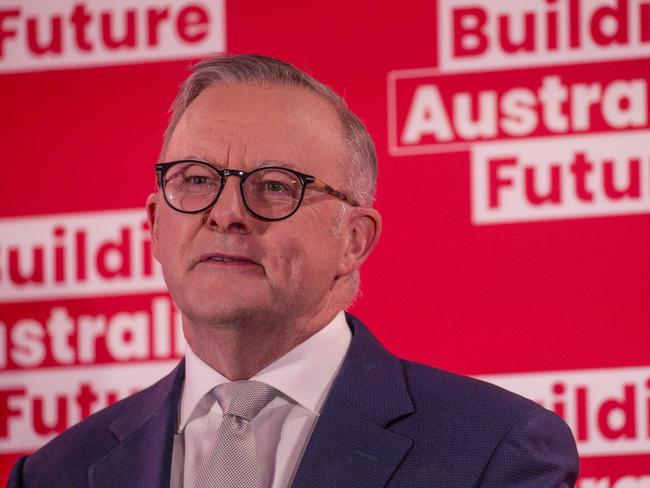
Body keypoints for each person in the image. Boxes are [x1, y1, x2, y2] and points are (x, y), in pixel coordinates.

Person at [8, 54, 579, 488]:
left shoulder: (494, 450)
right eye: (197, 180)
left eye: (276, 186)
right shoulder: (57, 472)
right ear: (157, 225)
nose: (227, 214)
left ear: (353, 241)